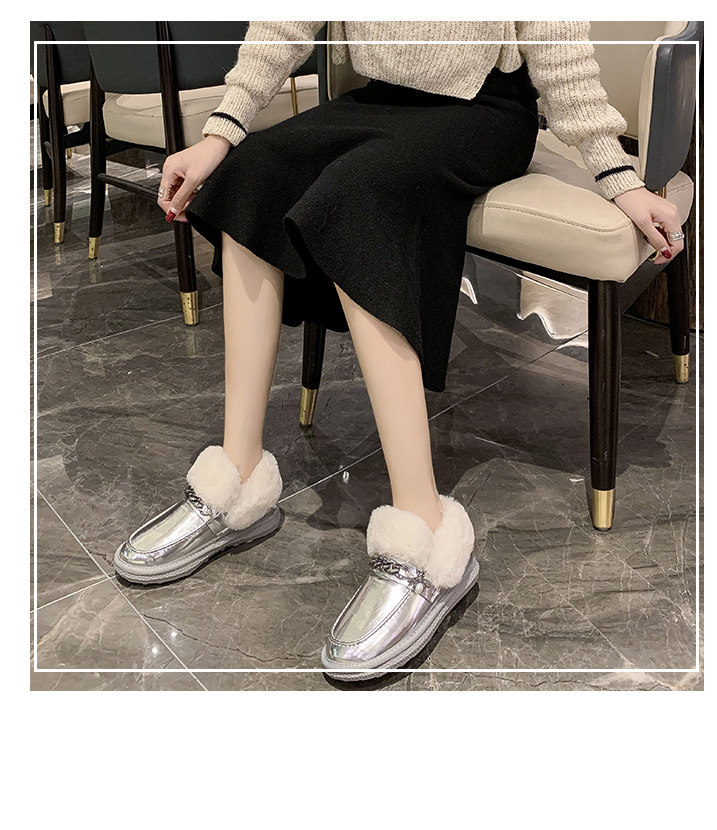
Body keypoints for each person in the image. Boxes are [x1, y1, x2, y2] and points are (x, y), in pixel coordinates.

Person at [113, 21, 685, 682]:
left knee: (361, 198)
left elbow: (558, 50)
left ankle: (426, 535)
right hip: (378, 99)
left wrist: (620, 176)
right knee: (249, 174)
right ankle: (236, 482)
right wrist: (219, 136)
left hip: (484, 114)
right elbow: (284, 21)